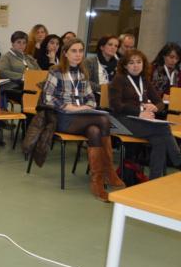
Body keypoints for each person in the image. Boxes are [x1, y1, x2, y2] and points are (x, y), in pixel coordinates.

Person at [41, 38, 125, 201]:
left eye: (80, 51)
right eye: (74, 51)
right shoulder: (55, 71)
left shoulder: (82, 72)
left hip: (83, 117)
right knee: (103, 120)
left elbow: (91, 98)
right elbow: (47, 98)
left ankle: (97, 183)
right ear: (65, 53)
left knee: (94, 131)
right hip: (63, 118)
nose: (78, 54)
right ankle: (109, 171)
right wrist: (69, 107)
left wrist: (87, 106)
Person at [109, 49, 181, 179]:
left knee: (159, 141)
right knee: (164, 127)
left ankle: (155, 179)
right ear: (125, 65)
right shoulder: (119, 79)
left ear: (143, 64)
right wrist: (140, 111)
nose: (135, 65)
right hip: (121, 120)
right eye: (131, 63)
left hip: (141, 122)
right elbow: (116, 106)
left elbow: (160, 103)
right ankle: (178, 160)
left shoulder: (144, 80)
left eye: (138, 62)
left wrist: (154, 107)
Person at [0, 30, 40, 102]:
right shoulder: (6, 57)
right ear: (12, 43)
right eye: (18, 42)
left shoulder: (29, 57)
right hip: (15, 87)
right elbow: (2, 72)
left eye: (24, 43)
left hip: (32, 85)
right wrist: (23, 76)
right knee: (36, 97)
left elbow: (39, 71)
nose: (22, 45)